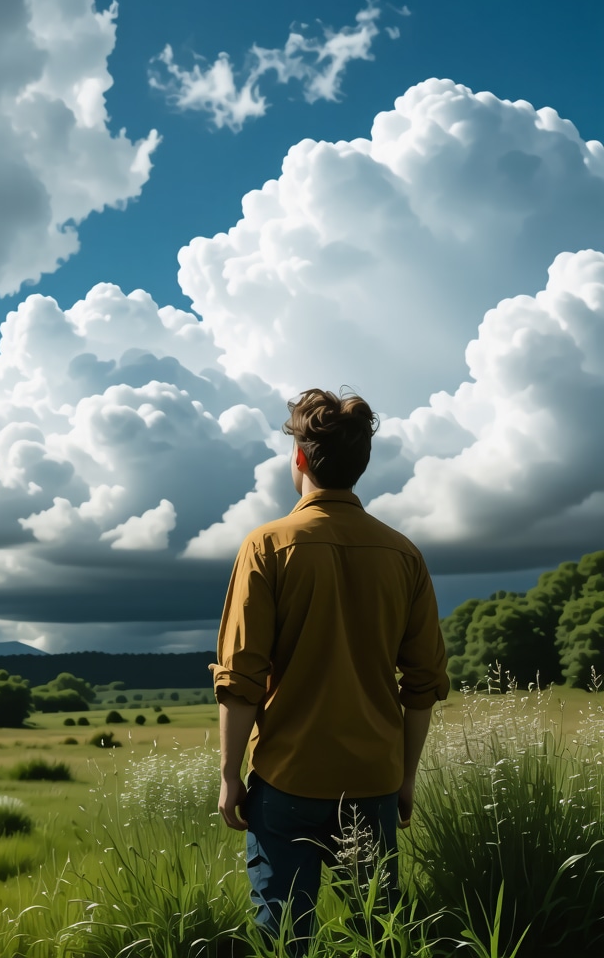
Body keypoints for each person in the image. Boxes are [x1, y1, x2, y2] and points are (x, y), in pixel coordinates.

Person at [211, 387, 449, 951]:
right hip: (374, 782)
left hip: (286, 779)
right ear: (361, 463)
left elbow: (241, 679)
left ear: (299, 458)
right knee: (380, 936)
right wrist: (405, 776)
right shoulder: (404, 554)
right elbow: (422, 684)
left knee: (284, 939)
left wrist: (229, 774)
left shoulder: (266, 546)